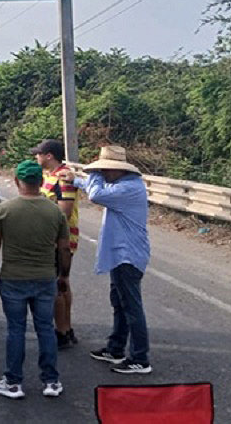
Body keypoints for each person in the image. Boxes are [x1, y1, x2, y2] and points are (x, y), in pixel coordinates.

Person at [61, 146, 153, 374]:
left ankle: (140, 358)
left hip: (128, 255)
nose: (104, 173)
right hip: (120, 254)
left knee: (131, 307)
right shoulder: (121, 185)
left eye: (106, 170)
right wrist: (78, 179)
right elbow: (95, 188)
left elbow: (96, 194)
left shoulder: (129, 188)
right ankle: (116, 348)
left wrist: (91, 175)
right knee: (120, 304)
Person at [0, 160, 71, 399]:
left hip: (13, 278)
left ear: (16, 181)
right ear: (41, 182)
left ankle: (13, 382)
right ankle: (51, 381)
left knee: (16, 329)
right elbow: (64, 249)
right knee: (45, 328)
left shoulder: (4, 210)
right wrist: (63, 275)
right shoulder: (54, 211)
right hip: (45, 278)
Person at [32, 139, 81, 349]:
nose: (36, 157)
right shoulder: (48, 176)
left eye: (39, 154)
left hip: (59, 239)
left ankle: (61, 332)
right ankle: (66, 328)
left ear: (49, 155)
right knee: (62, 283)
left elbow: (64, 212)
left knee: (55, 287)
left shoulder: (63, 177)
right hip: (53, 237)